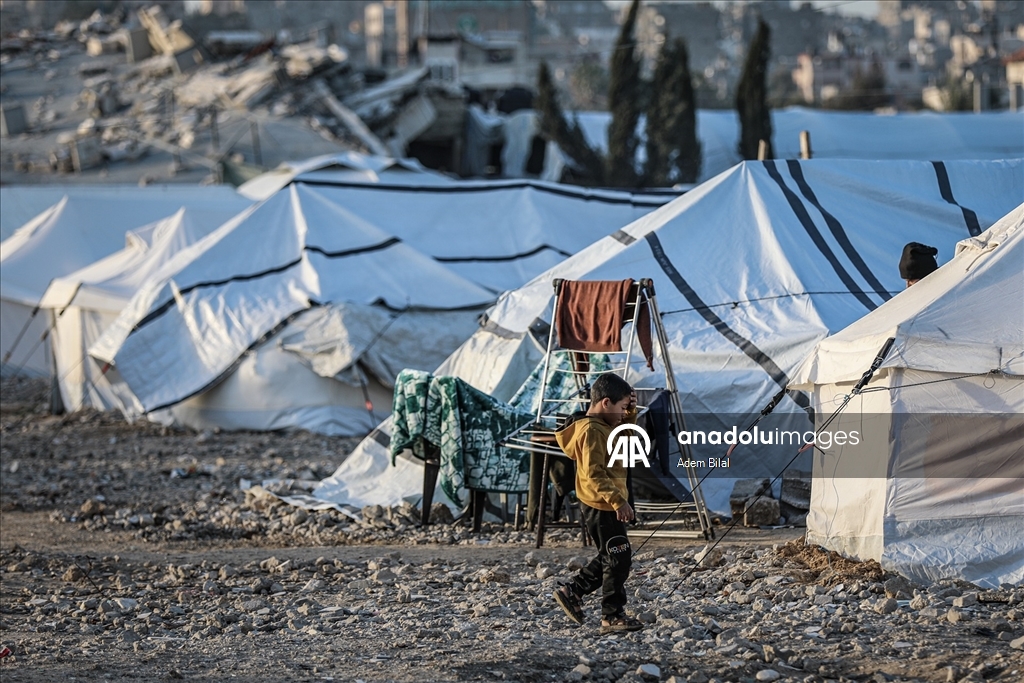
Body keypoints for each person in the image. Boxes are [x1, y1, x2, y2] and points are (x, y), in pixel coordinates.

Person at [552, 372, 644, 634]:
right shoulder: (592, 431)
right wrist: (618, 501)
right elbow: (594, 474)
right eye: (622, 408)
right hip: (602, 506)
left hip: (604, 504)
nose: (624, 412)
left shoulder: (604, 426)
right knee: (617, 558)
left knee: (614, 556)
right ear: (605, 403)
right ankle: (611, 616)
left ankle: (573, 590)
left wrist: (629, 414)